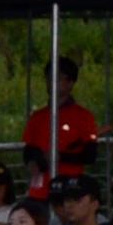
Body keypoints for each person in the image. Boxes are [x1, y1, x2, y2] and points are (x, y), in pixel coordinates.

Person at [23, 57, 99, 192]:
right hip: (40, 190)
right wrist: (34, 162)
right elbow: (28, 150)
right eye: (49, 78)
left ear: (70, 83)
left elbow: (90, 155)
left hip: (69, 189)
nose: (51, 82)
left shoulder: (84, 117)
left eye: (57, 78)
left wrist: (61, 157)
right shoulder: (37, 117)